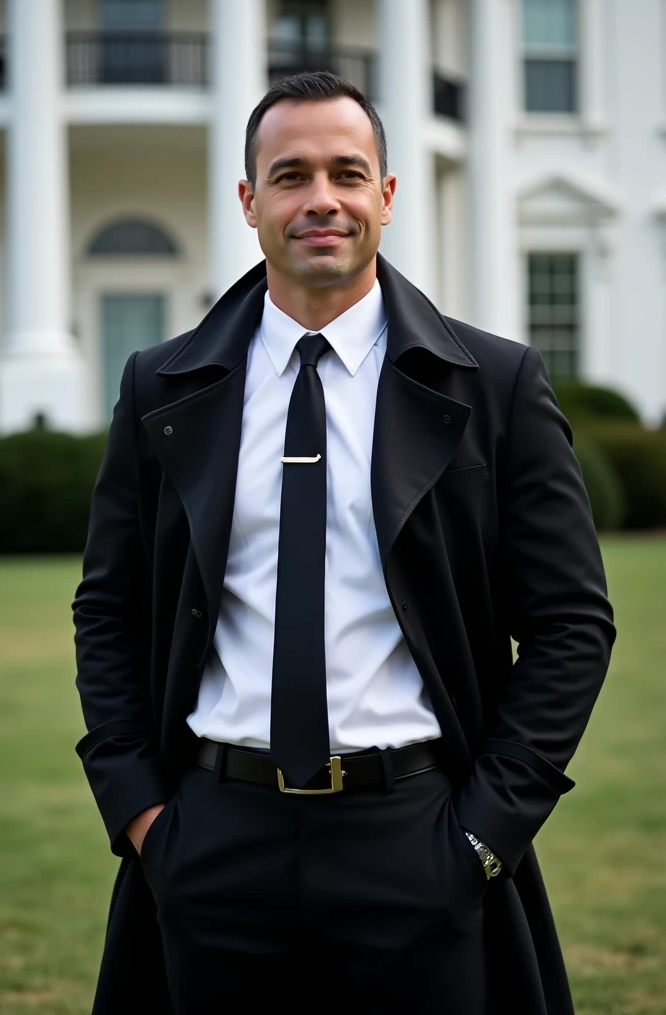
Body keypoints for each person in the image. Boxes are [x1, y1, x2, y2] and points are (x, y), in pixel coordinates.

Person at [73, 72, 616, 1015]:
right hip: (211, 841)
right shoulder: (162, 387)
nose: (320, 198)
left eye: (347, 172)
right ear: (249, 202)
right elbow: (108, 607)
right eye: (289, 175)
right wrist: (143, 818)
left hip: (417, 838)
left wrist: (483, 836)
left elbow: (572, 624)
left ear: (387, 196)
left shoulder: (493, 384)